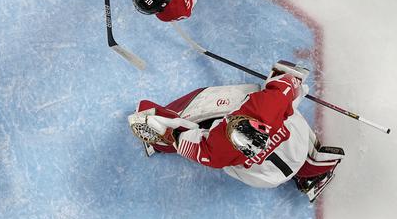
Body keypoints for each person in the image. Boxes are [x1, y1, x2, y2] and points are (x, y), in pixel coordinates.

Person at [127, 61, 345, 201]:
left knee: (176, 130)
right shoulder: (267, 108)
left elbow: (183, 141)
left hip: (265, 177)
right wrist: (287, 79)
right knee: (292, 121)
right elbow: (290, 82)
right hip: (288, 159)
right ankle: (313, 171)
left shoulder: (218, 149)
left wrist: (164, 133)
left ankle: (155, 145)